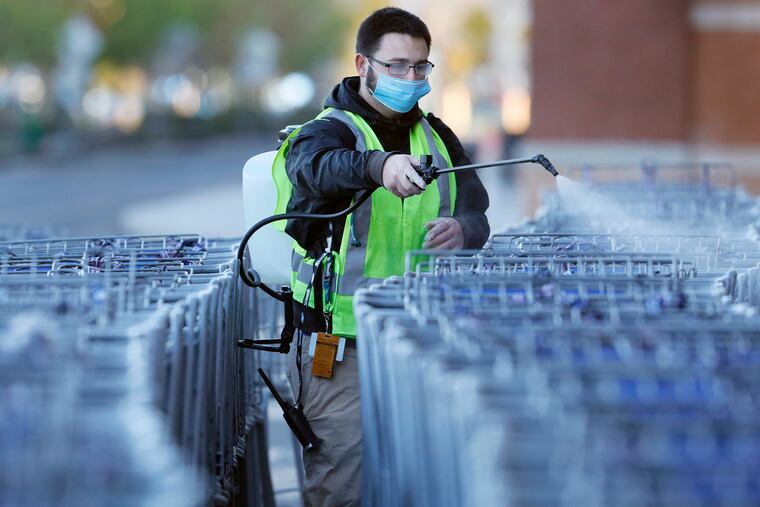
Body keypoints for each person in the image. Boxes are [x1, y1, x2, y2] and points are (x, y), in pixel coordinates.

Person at [272, 7, 490, 506]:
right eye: (395, 66)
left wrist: (463, 229)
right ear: (362, 63)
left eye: (419, 67)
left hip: (423, 337)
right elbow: (318, 170)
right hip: (340, 345)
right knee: (343, 484)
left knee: (421, 479)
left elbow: (478, 212)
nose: (409, 78)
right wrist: (379, 166)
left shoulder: (438, 138)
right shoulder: (324, 132)